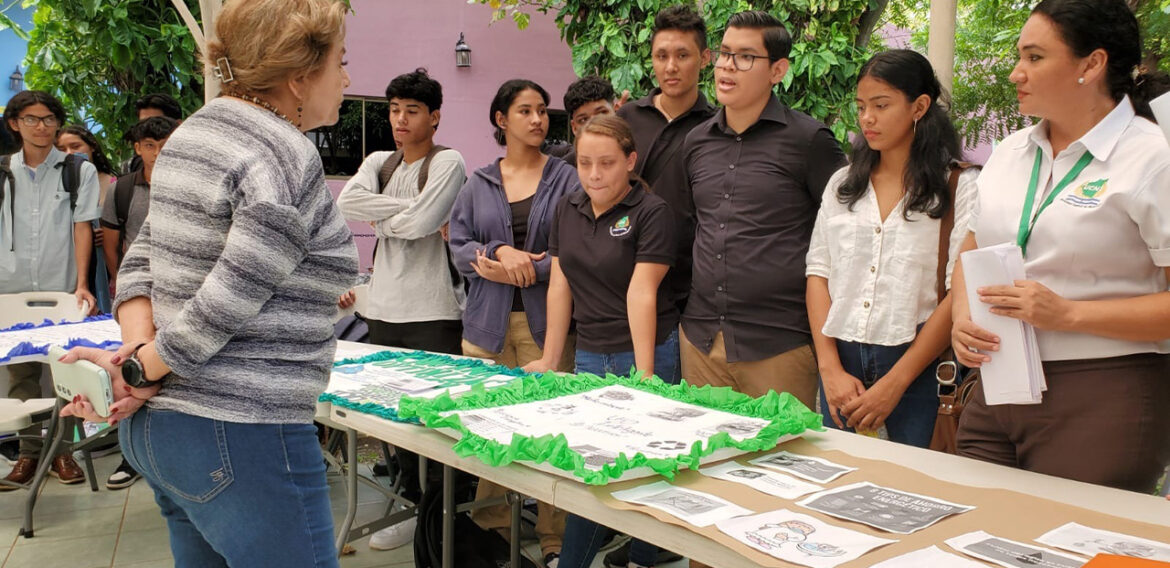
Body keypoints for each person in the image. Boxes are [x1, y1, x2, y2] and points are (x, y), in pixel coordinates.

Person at [60, 0, 358, 565]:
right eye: (341, 62)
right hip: (242, 428)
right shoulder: (281, 151)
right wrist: (139, 368)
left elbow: (142, 257)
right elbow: (236, 288)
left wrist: (140, 358)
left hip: (168, 432)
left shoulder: (193, 135)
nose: (347, 79)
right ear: (299, 77)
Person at [951, 0, 1170, 493]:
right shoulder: (1010, 152)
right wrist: (962, 317)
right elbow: (972, 245)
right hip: (998, 380)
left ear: (1092, 65)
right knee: (972, 532)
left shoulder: (1153, 159)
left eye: (1034, 57)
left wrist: (1069, 314)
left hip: (1103, 389)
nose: (1016, 73)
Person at [524, 115, 677, 568]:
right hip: (590, 353)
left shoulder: (652, 213)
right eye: (585, 163)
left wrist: (646, 375)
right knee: (595, 470)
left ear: (630, 161)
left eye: (607, 163)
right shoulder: (566, 209)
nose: (593, 174)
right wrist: (551, 358)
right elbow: (560, 283)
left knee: (648, 467)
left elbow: (642, 290)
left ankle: (644, 557)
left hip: (646, 350)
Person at [806, 49, 977, 448]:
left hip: (921, 361)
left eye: (881, 105)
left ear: (919, 106)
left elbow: (958, 292)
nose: (867, 118)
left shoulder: (958, 186)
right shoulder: (844, 184)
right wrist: (829, 367)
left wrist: (897, 380)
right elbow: (818, 274)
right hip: (842, 356)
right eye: (862, 106)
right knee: (841, 480)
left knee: (916, 488)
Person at [680, 11, 845, 409]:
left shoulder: (810, 141)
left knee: (781, 465)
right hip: (701, 342)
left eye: (744, 57)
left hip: (779, 345)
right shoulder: (695, 141)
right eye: (723, 53)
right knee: (703, 463)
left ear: (778, 70)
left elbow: (845, 236)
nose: (726, 66)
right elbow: (689, 229)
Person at [448, 78, 580, 568]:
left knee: (550, 435)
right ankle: (492, 536)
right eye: (525, 110)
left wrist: (527, 269)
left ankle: (553, 542)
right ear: (501, 120)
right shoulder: (478, 182)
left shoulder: (565, 179)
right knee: (490, 432)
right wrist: (497, 253)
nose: (538, 119)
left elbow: (573, 250)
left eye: (543, 110)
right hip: (486, 327)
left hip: (546, 328)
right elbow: (459, 244)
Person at [336, 68, 467, 551]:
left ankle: (440, 512)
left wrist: (386, 217)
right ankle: (411, 505)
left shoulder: (448, 161)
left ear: (434, 116)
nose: (400, 119)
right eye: (394, 109)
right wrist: (404, 216)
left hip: (433, 312)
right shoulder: (378, 160)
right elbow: (348, 201)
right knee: (393, 417)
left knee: (433, 419)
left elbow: (424, 223)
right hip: (385, 309)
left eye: (412, 110)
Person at [0, 90, 101, 489]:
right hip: (10, 288)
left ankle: (63, 453)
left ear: (58, 123)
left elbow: (82, 227)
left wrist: (81, 284)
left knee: (64, 374)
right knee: (21, 377)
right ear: (14, 123)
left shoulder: (78, 171)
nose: (41, 127)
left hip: (61, 289)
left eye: (48, 119)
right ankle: (27, 455)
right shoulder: (2, 171)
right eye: (31, 119)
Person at [90, 116, 177, 491]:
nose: (157, 152)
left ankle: (165, 457)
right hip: (138, 300)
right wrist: (124, 288)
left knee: (166, 382)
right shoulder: (123, 188)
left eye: (165, 143)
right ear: (137, 148)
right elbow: (119, 249)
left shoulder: (186, 184)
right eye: (149, 144)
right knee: (137, 374)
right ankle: (135, 456)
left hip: (176, 303)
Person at [617, 3, 716, 317]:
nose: (671, 66)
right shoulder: (628, 117)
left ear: (704, 58)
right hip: (621, 277)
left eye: (682, 55)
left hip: (688, 291)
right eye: (662, 56)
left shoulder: (716, 126)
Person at [57, 125, 118, 314]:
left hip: (107, 266)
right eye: (61, 149)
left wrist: (108, 235)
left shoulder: (115, 184)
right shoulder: (57, 183)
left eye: (75, 146)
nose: (69, 153)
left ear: (92, 146)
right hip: (69, 264)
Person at [546, 76, 618, 164]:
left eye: (602, 114)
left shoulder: (638, 155)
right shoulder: (564, 173)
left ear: (616, 111)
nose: (594, 125)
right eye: (583, 120)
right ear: (574, 128)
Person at [121, 93, 183, 174]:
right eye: (143, 124)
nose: (149, 128)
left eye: (156, 123)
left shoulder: (195, 165)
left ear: (178, 125)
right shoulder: (130, 168)